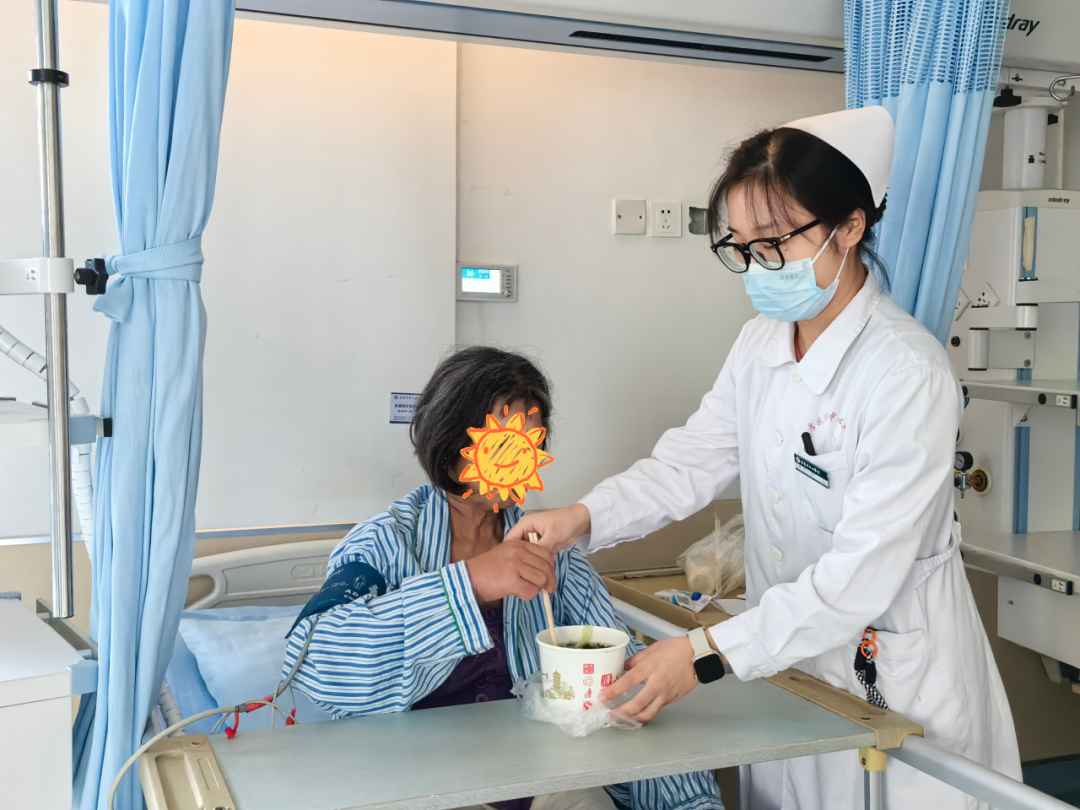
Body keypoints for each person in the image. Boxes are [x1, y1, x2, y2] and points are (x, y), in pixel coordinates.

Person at [506, 107, 1021, 809]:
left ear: (849, 226)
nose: (757, 266)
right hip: (788, 659)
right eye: (742, 246)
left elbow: (861, 576)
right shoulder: (760, 342)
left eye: (774, 241)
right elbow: (691, 460)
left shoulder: (906, 373)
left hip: (892, 674)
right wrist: (583, 517)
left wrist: (704, 653)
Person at [283, 346, 724, 810]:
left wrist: (689, 802)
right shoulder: (385, 543)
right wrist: (470, 583)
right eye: (501, 443)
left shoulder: (552, 551)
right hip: (418, 781)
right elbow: (316, 665)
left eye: (530, 445)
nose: (517, 459)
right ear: (449, 440)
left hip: (546, 775)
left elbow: (624, 675)